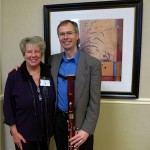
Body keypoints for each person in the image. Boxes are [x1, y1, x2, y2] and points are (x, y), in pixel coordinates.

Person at [49, 20, 101, 150]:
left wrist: (86, 130)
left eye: (69, 33)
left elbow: (94, 102)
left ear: (77, 35)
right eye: (61, 34)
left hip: (81, 124)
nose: (65, 37)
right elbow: (35, 69)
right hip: (59, 122)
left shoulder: (92, 64)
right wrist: (19, 68)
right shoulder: (53, 60)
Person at [3, 36, 56, 150]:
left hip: (46, 136)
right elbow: (8, 107)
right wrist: (14, 133)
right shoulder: (14, 77)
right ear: (24, 54)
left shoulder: (49, 73)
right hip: (24, 137)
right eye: (29, 52)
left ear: (41, 53)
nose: (33, 55)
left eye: (37, 51)